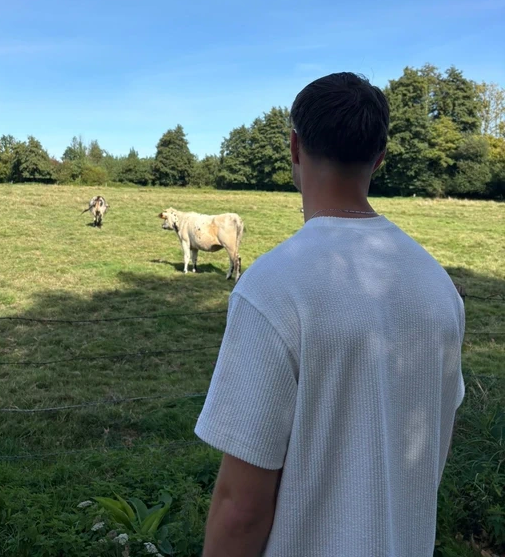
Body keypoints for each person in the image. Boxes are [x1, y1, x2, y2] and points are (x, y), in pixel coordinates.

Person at [196, 72, 465, 557]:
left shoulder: (272, 288)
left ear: (295, 147)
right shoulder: (439, 288)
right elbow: (431, 456)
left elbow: (241, 508)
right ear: (379, 158)